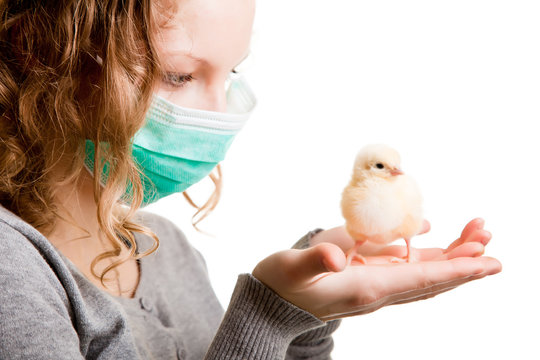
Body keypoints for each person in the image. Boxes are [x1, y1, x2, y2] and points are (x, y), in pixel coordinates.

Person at [0, 0, 501, 359]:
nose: (221, 114)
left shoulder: (166, 251)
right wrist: (266, 316)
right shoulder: (11, 273)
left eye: (232, 72)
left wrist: (302, 318)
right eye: (178, 75)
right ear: (42, 55)